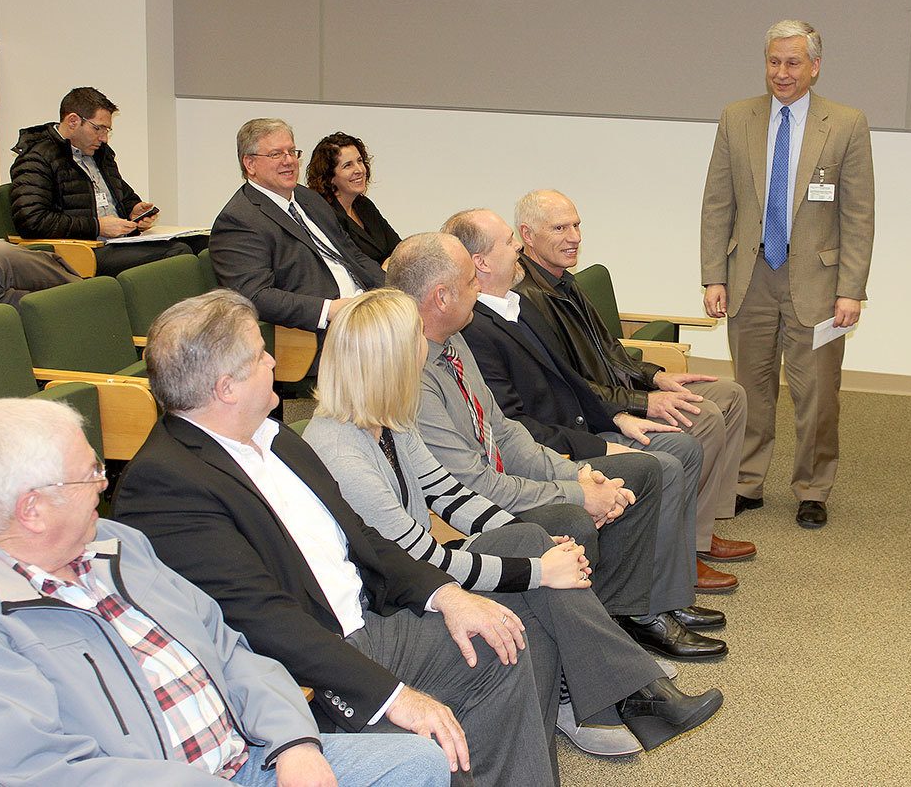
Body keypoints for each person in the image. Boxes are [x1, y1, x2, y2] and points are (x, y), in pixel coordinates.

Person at [112, 289, 553, 786]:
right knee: (429, 744)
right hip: (307, 670)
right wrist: (393, 695)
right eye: (260, 354)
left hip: (366, 622)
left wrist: (446, 595)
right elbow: (258, 619)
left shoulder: (276, 439)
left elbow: (364, 539)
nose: (274, 360)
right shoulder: (166, 483)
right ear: (226, 387)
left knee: (502, 636)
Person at [303, 288, 723, 756]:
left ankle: (625, 694)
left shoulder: (386, 421)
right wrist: (540, 568)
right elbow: (415, 561)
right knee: (536, 562)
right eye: (415, 343)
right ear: (390, 361)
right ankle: (632, 693)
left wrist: (535, 541)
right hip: (394, 597)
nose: (424, 351)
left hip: (419, 570)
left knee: (530, 537)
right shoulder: (341, 450)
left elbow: (449, 494)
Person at [0, 398, 449, 786]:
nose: (104, 484)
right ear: (32, 509)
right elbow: (49, 774)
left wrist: (292, 740)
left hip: (250, 758)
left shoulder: (117, 545)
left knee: (415, 763)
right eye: (89, 474)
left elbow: (228, 647)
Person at [387, 233, 728, 662]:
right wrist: (578, 493)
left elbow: (505, 431)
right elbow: (472, 484)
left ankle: (631, 611)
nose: (478, 289)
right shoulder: (413, 371)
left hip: (506, 476)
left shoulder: (453, 341)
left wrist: (575, 475)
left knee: (644, 470)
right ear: (441, 297)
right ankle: (598, 640)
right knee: (572, 517)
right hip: (466, 508)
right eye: (470, 282)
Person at [449, 208, 756, 592]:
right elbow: (516, 427)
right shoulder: (486, 322)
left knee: (714, 410)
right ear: (482, 261)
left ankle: (683, 554)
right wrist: (614, 425)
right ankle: (664, 579)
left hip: (593, 414)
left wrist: (642, 392)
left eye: (576, 225)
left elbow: (585, 369)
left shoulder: (526, 301)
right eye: (512, 242)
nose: (574, 236)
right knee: (679, 447)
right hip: (563, 440)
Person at [699, 20, 875, 529]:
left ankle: (813, 486)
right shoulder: (737, 118)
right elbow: (718, 203)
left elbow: (859, 215)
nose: (782, 72)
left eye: (793, 62)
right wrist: (715, 275)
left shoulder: (846, 124)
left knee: (817, 394)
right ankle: (747, 481)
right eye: (774, 61)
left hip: (818, 283)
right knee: (750, 389)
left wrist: (851, 290)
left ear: (814, 67)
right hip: (749, 277)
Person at [209, 118, 384, 350]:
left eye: (292, 151)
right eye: (276, 154)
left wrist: (395, 287)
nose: (289, 161)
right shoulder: (238, 220)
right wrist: (329, 310)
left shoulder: (308, 198)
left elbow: (352, 254)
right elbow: (255, 296)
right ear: (249, 164)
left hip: (362, 309)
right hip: (319, 334)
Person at [9, 86, 192, 277]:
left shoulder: (100, 154)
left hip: (117, 243)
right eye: (98, 128)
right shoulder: (37, 159)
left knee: (201, 244)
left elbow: (123, 194)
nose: (104, 138)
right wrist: (97, 226)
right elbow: (32, 221)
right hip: (84, 251)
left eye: (107, 130)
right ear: (73, 121)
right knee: (178, 253)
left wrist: (134, 210)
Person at [305, 132, 402, 265]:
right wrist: (386, 266)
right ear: (330, 177)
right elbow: (353, 264)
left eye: (360, 161)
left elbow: (398, 248)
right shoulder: (325, 215)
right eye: (348, 165)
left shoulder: (363, 204)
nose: (359, 170)